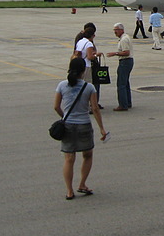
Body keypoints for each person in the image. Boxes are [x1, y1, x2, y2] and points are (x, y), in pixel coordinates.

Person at [53, 57, 108, 200]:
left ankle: (69, 191)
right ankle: (82, 184)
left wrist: (64, 116)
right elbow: (95, 108)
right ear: (83, 71)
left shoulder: (62, 85)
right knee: (87, 154)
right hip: (84, 124)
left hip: (68, 125)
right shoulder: (89, 87)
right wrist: (102, 128)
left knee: (69, 158)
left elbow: (56, 106)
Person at [74, 24, 104, 107]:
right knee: (88, 87)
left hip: (80, 65)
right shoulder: (89, 43)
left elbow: (77, 53)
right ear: (92, 35)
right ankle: (89, 105)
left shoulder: (80, 41)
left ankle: (80, 103)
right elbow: (90, 57)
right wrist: (96, 55)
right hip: (87, 66)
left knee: (80, 85)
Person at [107, 23, 133, 111]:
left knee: (121, 84)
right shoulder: (124, 37)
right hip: (127, 61)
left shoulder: (124, 40)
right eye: (114, 30)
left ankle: (123, 104)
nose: (115, 32)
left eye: (116, 30)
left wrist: (115, 53)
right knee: (125, 83)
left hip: (125, 61)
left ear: (121, 30)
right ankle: (127, 102)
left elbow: (126, 52)